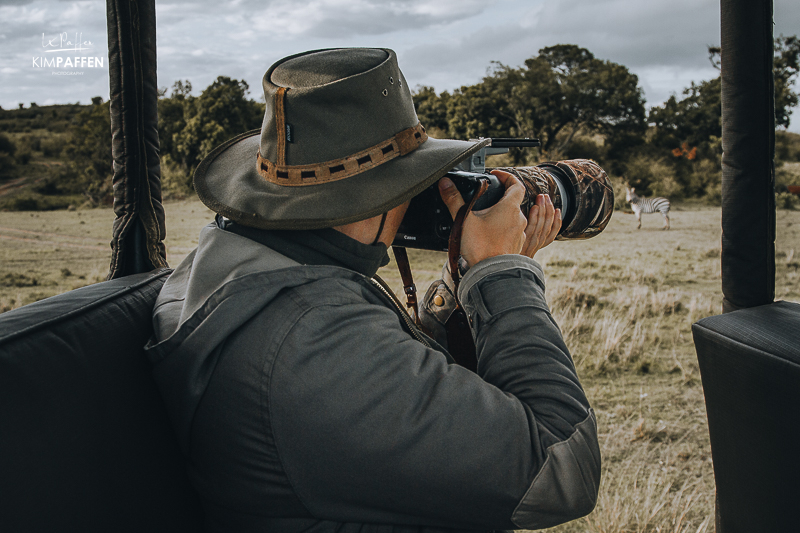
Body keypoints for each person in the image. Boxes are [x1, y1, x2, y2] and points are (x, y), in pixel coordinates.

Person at [146, 47, 600, 532]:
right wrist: (502, 271)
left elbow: (401, 380)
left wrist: (460, 280)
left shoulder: (238, 271)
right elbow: (562, 468)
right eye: (413, 180)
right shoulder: (312, 338)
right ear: (383, 192)